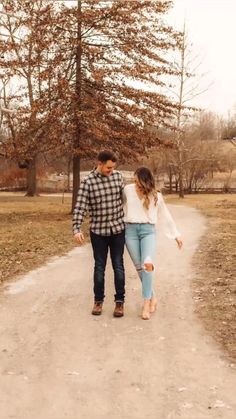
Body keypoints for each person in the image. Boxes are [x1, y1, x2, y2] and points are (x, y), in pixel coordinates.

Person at [123, 167, 183, 320]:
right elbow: (118, 205)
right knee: (139, 268)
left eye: (137, 181)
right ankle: (153, 297)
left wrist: (176, 235)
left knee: (147, 265)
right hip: (130, 232)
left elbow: (165, 215)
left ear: (144, 181)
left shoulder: (156, 196)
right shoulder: (127, 190)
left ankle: (146, 304)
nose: (134, 183)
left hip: (148, 231)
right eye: (134, 181)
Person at [72, 150, 125, 317]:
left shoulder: (118, 177)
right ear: (99, 164)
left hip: (117, 229)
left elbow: (126, 199)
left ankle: (119, 303)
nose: (111, 171)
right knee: (99, 267)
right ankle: (98, 301)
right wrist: (77, 229)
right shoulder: (88, 182)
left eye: (113, 168)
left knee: (118, 265)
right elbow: (80, 207)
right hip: (98, 232)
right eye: (108, 168)